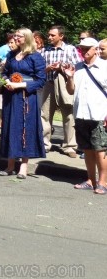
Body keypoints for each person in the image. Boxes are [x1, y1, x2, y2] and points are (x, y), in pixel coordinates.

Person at [0, 28, 46, 179]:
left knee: (26, 128)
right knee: (11, 127)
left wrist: (20, 85)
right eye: (15, 36)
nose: (15, 38)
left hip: (26, 98)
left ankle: (23, 168)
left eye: (19, 36)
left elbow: (41, 80)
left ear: (26, 38)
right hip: (10, 96)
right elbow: (5, 72)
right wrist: (6, 81)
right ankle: (10, 165)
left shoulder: (35, 57)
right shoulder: (11, 55)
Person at [62, 37, 107, 194]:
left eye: (88, 48)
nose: (84, 51)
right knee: (87, 149)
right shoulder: (77, 67)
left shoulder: (105, 66)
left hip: (100, 114)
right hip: (81, 114)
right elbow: (71, 91)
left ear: (96, 49)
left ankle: (103, 182)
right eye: (81, 48)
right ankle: (90, 180)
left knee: (101, 149)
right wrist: (69, 77)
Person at [40, 25, 81, 158]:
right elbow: (39, 68)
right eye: (49, 35)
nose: (49, 37)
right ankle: (44, 144)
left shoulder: (70, 49)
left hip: (64, 84)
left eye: (53, 35)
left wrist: (62, 68)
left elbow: (78, 67)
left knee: (68, 114)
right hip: (48, 83)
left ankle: (70, 146)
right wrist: (48, 68)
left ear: (61, 36)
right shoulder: (44, 50)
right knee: (44, 114)